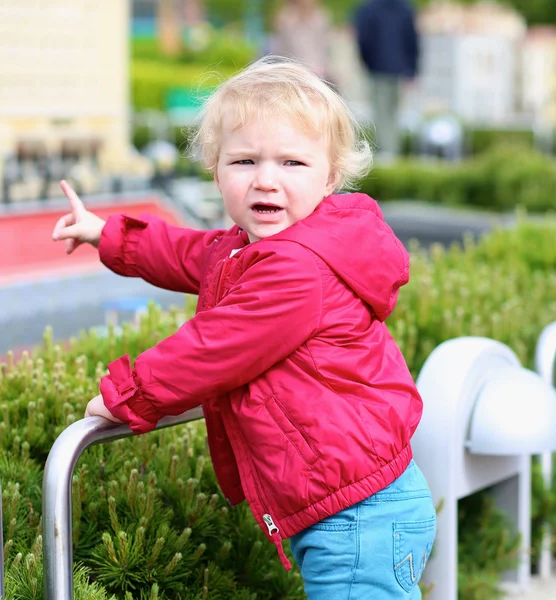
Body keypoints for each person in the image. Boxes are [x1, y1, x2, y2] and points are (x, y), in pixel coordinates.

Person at [52, 56, 436, 599]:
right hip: (353, 502)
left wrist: (129, 395)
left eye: (292, 164)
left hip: (358, 515)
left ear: (331, 177)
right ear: (215, 169)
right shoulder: (248, 248)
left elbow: (216, 346)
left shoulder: (299, 268)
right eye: (244, 160)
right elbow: (188, 253)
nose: (266, 180)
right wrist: (107, 235)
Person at [354, 0, 420, 159]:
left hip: (377, 66)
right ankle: (391, 151)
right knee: (393, 113)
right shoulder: (405, 8)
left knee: (382, 112)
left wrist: (366, 62)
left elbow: (363, 40)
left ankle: (386, 153)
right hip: (399, 68)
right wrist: (412, 69)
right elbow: (412, 40)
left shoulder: (368, 8)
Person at [272, 0, 333, 81]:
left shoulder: (321, 18)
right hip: (294, 74)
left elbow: (325, 50)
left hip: (319, 74)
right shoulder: (286, 20)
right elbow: (282, 52)